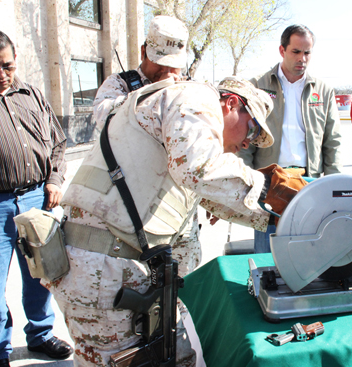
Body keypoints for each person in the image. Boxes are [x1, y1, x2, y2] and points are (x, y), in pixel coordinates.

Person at [44, 76, 302, 367]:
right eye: (252, 129)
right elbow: (199, 170)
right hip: (102, 272)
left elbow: (206, 191)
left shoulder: (183, 129)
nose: (247, 143)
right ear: (231, 103)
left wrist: (284, 217)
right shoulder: (194, 97)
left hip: (121, 267)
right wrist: (270, 188)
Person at [0, 29, 72, 367]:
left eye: (7, 65)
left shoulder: (33, 94)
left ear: (15, 57)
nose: (1, 74)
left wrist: (53, 180)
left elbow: (57, 143)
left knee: (42, 274)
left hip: (39, 199)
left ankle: (40, 334)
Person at [93, 16, 201, 278]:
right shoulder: (119, 85)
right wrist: (155, 93)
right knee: (141, 286)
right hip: (135, 212)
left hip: (180, 209)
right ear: (144, 51)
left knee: (185, 285)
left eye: (174, 66)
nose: (168, 72)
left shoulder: (188, 88)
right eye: (160, 63)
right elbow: (104, 119)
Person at [238, 24, 341, 253]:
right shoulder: (257, 86)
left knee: (306, 253)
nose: (302, 58)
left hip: (308, 183)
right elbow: (244, 139)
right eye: (296, 51)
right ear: (281, 50)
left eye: (307, 53)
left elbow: (332, 141)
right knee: (267, 254)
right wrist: (243, 182)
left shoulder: (322, 90)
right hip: (268, 183)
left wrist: (335, 187)